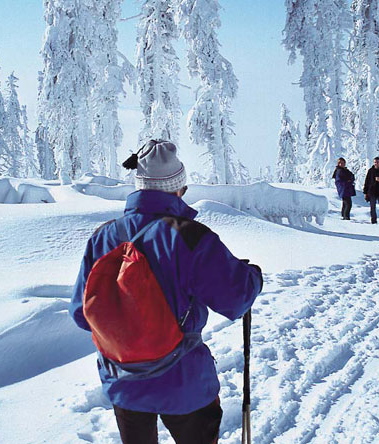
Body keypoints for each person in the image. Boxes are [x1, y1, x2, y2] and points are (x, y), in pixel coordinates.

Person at [70, 139, 263, 444]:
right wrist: (253, 277)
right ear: (178, 188)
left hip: (124, 382)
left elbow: (81, 314)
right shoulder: (190, 236)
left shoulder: (102, 238)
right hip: (184, 381)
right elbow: (236, 299)